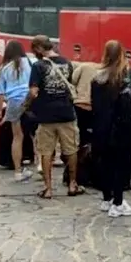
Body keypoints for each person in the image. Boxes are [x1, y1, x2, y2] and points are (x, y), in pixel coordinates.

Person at [27, 35, 82, 199]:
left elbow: (33, 91)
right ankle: (72, 184)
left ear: (38, 48)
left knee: (46, 152)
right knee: (71, 150)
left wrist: (31, 101)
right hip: (66, 113)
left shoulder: (38, 66)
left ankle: (48, 189)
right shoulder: (67, 63)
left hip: (46, 116)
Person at [91, 40, 131, 217]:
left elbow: (95, 106)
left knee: (106, 164)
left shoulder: (97, 78)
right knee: (121, 166)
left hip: (102, 127)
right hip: (122, 128)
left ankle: (107, 199)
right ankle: (118, 203)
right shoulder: (128, 74)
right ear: (122, 53)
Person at [0, 41, 34, 182]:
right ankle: (40, 165)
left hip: (14, 103)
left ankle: (17, 172)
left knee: (17, 137)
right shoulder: (29, 62)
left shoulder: (4, 68)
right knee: (37, 135)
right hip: (30, 100)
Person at [71, 60, 100, 184]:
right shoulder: (103, 71)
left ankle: (75, 174)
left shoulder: (83, 66)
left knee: (78, 141)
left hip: (79, 106)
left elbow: (73, 80)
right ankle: (89, 173)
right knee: (90, 141)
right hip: (93, 108)